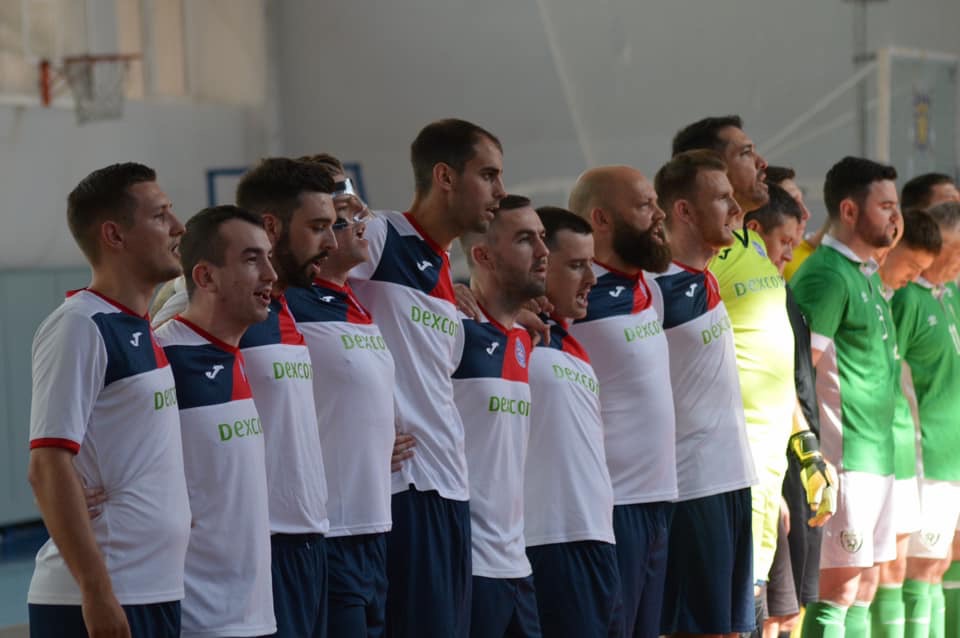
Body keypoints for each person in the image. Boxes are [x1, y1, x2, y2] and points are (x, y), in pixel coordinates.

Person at [347, 118, 506, 637]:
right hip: (407, 489)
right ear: (445, 177)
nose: (500, 192)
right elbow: (294, 288)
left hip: (452, 489)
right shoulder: (380, 236)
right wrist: (359, 434)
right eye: (488, 175)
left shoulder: (442, 268)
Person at [673, 117, 831, 635]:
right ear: (709, 168)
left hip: (763, 478)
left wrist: (805, 448)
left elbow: (774, 366)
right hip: (715, 481)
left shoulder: (751, 247)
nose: (762, 163)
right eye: (746, 153)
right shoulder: (696, 259)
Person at [27, 162, 191, 638]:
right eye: (160, 215)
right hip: (103, 598)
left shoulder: (139, 326)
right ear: (114, 235)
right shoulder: (80, 325)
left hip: (154, 589)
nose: (178, 226)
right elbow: (47, 466)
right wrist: (97, 593)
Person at [791, 156, 902, 638]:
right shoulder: (827, 275)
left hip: (878, 455)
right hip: (845, 458)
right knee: (836, 593)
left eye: (897, 206)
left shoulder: (866, 274)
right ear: (850, 210)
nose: (896, 218)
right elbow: (798, 370)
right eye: (885, 206)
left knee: (864, 588)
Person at [286, 153, 396, 637]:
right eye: (341, 213)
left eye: (356, 207)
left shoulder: (359, 299)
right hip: (327, 529)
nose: (359, 219)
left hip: (376, 527)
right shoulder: (284, 301)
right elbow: (179, 319)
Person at [156, 205, 278, 637]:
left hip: (253, 611)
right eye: (252, 259)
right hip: (197, 618)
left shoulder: (234, 352)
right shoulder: (162, 357)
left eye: (268, 257)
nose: (271, 274)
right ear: (205, 277)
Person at [567, 165, 678, 638]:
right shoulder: (572, 297)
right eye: (644, 205)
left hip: (660, 500)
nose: (660, 214)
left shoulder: (648, 287)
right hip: (611, 507)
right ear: (601, 219)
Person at [651, 149, 758, 637]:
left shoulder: (708, 275)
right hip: (692, 488)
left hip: (733, 479)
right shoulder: (654, 289)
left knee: (731, 630)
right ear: (684, 211)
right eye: (721, 198)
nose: (735, 209)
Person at [234, 158, 339, 638]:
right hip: (263, 544)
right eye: (317, 227)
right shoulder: (203, 310)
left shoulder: (284, 304)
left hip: (312, 539)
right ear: (272, 228)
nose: (331, 242)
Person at [523, 206, 621, 638]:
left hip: (597, 537)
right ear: (540, 265)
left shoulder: (567, 340)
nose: (592, 279)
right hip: (547, 542)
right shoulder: (500, 332)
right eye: (577, 265)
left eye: (591, 264)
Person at [456, 195, 548, 637]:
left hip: (517, 564)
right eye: (526, 240)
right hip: (469, 568)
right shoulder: (452, 329)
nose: (544, 252)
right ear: (483, 256)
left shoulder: (523, 338)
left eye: (542, 238)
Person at [891, 202, 960, 638]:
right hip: (923, 455)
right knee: (919, 568)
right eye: (958, 249)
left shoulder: (946, 295)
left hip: (950, 455)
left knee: (937, 565)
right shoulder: (907, 298)